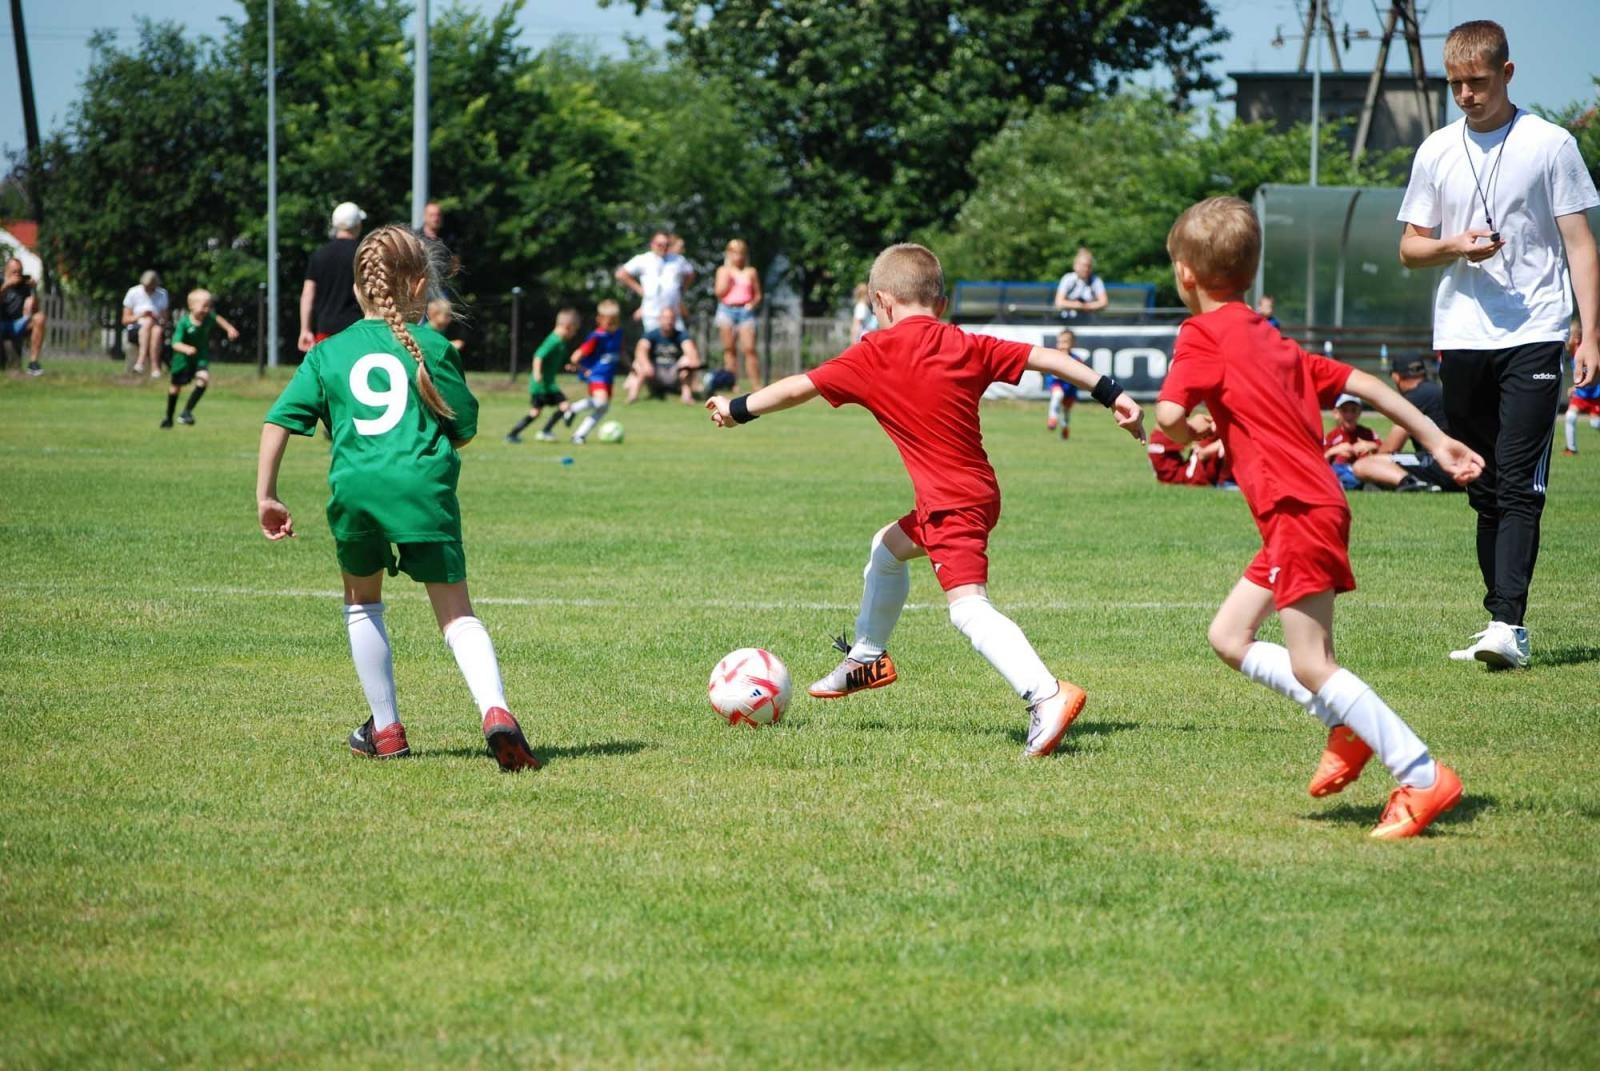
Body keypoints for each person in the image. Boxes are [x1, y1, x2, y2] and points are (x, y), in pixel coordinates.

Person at [706, 242, 1146, 758]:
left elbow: (799, 387)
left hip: (949, 504)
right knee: (887, 548)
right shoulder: (966, 343)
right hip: (980, 492)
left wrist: (737, 408)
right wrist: (1113, 392)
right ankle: (867, 658)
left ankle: (1045, 695)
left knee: (968, 610)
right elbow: (1047, 357)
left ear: (882, 302)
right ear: (938, 301)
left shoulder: (873, 352)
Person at [1155, 196, 1483, 839]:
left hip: (1295, 509)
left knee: (1312, 661)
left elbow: (1167, 416)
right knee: (1229, 637)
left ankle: (1420, 775)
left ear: (1185, 275)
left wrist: (1191, 429)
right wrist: (1435, 439)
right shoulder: (1271, 339)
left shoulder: (1200, 333)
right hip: (1303, 509)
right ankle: (1347, 726)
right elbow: (1367, 385)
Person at [256, 224, 539, 773]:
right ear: (418, 285)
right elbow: (465, 431)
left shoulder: (328, 352)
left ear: (362, 285)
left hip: (356, 489)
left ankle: (385, 729)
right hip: (422, 490)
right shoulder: (432, 346)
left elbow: (278, 421)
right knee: (456, 614)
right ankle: (496, 711)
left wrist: (266, 494)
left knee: (363, 602)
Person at [1398, 19, 1600, 669]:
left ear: (1507, 74)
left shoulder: (1550, 144)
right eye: (1455, 84)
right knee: (1480, 482)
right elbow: (1410, 248)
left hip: (1536, 332)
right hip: (1460, 335)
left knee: (1519, 482)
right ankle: (1498, 619)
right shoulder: (1434, 150)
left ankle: (1507, 623)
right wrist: (1455, 245)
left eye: (1477, 82)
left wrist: (1588, 332)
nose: (1465, 95)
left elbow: (1580, 244)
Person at [1377, 353, 1464, 491]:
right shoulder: (1436, 390)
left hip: (1441, 465)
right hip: (1462, 464)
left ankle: (1413, 483)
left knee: (1367, 464)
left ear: (1396, 377)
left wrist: (1372, 452)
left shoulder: (1413, 399)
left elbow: (1390, 449)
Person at [1323, 393, 1437, 492]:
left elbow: (1384, 452)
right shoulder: (1332, 436)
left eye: (1353, 410)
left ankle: (1367, 483)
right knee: (1337, 471)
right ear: (1336, 413)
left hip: (1362, 470)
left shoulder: (1367, 433)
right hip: (1341, 470)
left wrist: (1371, 446)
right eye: (1345, 411)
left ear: (1359, 412)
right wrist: (1335, 450)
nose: (1349, 415)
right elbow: (1322, 459)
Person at [161, 289, 239, 428]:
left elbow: (218, 318)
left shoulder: (208, 317)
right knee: (175, 389)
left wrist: (229, 329)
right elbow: (175, 343)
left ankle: (186, 412)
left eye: (209, 306)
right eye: (203, 306)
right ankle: (168, 418)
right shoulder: (184, 323)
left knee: (203, 379)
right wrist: (187, 349)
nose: (207, 309)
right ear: (191, 306)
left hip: (200, 357)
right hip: (182, 360)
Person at [298, 202, 367, 353]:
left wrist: (305, 329)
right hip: (357, 329)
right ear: (357, 225)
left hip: (325, 329)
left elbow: (308, 294)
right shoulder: (363, 255)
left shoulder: (319, 255)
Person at [506, 307, 580, 443]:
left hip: (548, 384)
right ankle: (523, 434)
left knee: (550, 409)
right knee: (543, 410)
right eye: (575, 330)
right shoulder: (554, 340)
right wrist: (537, 373)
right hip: (541, 385)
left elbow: (556, 360)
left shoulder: (561, 342)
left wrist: (568, 365)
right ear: (568, 326)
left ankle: (521, 434)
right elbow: (538, 356)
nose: (574, 333)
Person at [564, 298, 625, 444]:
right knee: (601, 402)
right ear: (600, 319)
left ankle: (579, 435)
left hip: (608, 377)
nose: (612, 326)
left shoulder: (618, 334)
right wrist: (583, 369)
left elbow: (621, 352)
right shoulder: (596, 337)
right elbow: (575, 357)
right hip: (597, 375)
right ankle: (572, 408)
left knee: (603, 408)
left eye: (615, 322)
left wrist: (631, 367)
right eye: (609, 323)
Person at [616, 230, 695, 326]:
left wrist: (682, 289)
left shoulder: (678, 259)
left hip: (673, 314)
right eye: (660, 244)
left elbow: (690, 274)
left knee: (683, 340)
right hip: (651, 313)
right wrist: (639, 290)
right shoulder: (643, 259)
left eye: (666, 244)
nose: (663, 247)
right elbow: (621, 274)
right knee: (651, 340)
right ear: (652, 244)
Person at [627, 305, 703, 405]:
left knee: (686, 361)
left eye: (671, 318)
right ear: (659, 319)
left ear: (675, 320)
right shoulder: (651, 334)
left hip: (674, 375)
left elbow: (690, 351)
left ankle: (686, 396)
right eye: (666, 318)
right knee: (639, 362)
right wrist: (646, 364)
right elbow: (641, 349)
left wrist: (690, 365)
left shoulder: (681, 335)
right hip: (655, 374)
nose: (668, 321)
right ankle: (632, 396)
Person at [715, 239, 763, 389]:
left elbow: (758, 295)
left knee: (749, 348)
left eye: (741, 253)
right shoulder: (723, 271)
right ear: (729, 254)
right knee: (729, 349)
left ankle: (756, 384)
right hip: (726, 310)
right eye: (734, 252)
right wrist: (728, 278)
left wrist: (752, 305)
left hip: (745, 311)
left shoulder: (751, 272)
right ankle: (732, 383)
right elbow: (719, 293)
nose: (738, 256)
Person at [0, 257, 45, 375]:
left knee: (39, 318)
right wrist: (5, 286)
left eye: (19, 272)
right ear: (6, 271)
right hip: (2, 322)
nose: (17, 275)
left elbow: (36, 309)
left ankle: (33, 363)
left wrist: (34, 290)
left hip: (17, 323)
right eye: (14, 272)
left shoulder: (24, 285)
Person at [122, 270, 170, 377]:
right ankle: (154, 366)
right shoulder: (133, 292)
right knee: (148, 322)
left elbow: (165, 320)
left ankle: (142, 363)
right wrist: (141, 316)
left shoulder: (162, 294)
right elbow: (125, 320)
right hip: (135, 328)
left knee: (156, 330)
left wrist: (156, 317)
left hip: (155, 328)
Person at [1147, 427, 1231, 487]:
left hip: (1193, 474)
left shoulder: (1157, 437)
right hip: (1197, 476)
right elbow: (1201, 455)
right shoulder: (1159, 438)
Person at [1563, 324, 1600, 455]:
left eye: (1569, 336)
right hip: (1580, 394)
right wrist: (1574, 387)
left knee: (1595, 424)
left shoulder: (1591, 350)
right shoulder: (1573, 351)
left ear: (1576, 339)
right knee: (1570, 417)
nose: (1566, 339)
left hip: (1596, 395)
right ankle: (1571, 449)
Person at [1042, 327, 1081, 438]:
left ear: (1073, 343)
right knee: (1058, 395)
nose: (1062, 345)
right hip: (1057, 383)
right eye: (1060, 342)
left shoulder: (1076, 359)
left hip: (1070, 387)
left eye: (1065, 342)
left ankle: (1064, 427)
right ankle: (1052, 418)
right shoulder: (1054, 356)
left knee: (1066, 411)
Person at [1053, 246, 1108, 319]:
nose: (1086, 269)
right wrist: (1076, 305)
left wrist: (1086, 306)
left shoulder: (1096, 280)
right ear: (1075, 266)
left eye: (1088, 266)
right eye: (1083, 266)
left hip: (1089, 320)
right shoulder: (1068, 279)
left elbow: (1104, 303)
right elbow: (1059, 302)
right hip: (1067, 320)